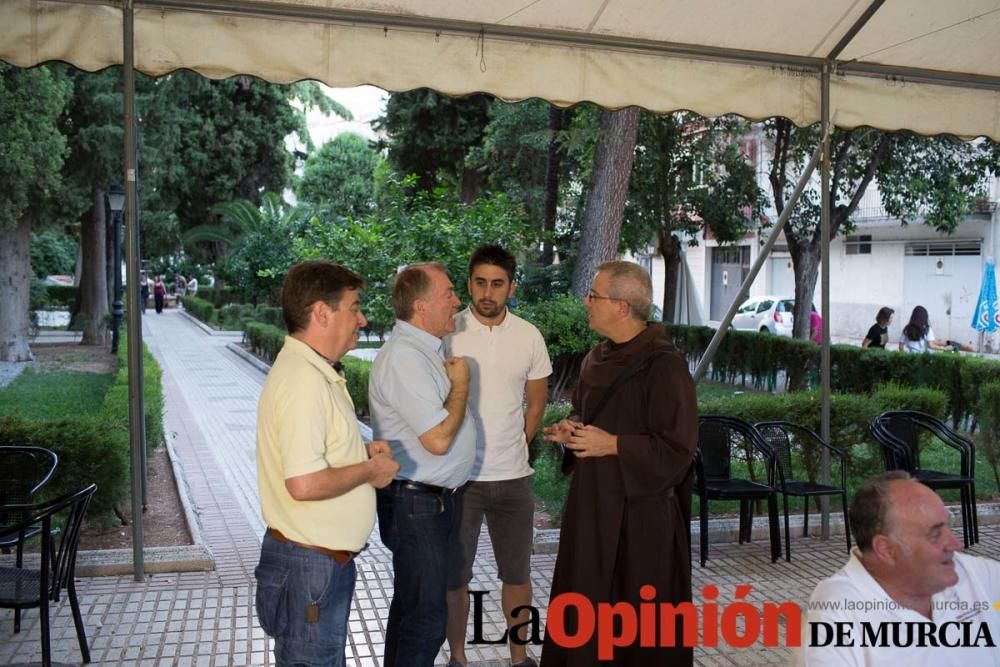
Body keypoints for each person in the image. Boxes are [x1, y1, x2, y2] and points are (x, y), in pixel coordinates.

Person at [540, 260, 698, 666]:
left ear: (622, 307)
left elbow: (678, 449)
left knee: (636, 628)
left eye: (594, 295)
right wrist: (572, 430)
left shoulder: (664, 366)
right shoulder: (596, 359)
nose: (586, 301)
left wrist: (615, 446)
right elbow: (585, 415)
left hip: (642, 521)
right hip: (592, 509)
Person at [254, 260, 399, 666]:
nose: (363, 318)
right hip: (310, 569)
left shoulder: (311, 371)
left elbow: (315, 457)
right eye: (354, 307)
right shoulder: (304, 380)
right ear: (322, 312)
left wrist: (358, 456)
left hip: (313, 566)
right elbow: (303, 482)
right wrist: (370, 471)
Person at [444, 246, 552, 667]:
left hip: (513, 479)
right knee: (456, 578)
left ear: (511, 286)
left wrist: (520, 443)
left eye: (497, 283)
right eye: (479, 282)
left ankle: (520, 657)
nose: (487, 292)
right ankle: (457, 657)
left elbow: (537, 403)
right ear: (469, 282)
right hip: (460, 480)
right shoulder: (448, 331)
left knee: (518, 576)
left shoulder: (529, 335)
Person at [368, 262, 477, 667]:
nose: (457, 301)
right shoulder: (404, 358)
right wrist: (462, 386)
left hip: (431, 502)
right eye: (448, 293)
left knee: (413, 610)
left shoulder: (423, 351)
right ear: (420, 305)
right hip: (419, 505)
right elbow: (438, 439)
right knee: (427, 619)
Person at [797, 471, 1000, 666]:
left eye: (949, 526)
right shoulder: (837, 611)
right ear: (886, 549)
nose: (955, 543)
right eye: (935, 534)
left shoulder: (970, 573)